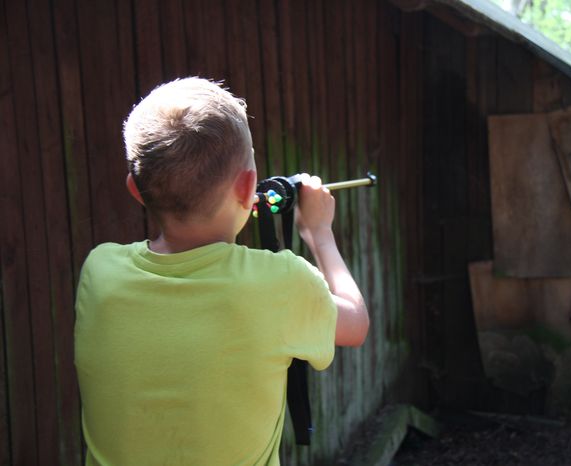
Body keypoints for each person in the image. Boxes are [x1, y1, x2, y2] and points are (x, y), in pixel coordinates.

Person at [74, 77, 369, 466]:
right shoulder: (277, 283)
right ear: (248, 188)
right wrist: (320, 234)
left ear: (135, 189)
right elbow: (356, 324)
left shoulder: (100, 271)